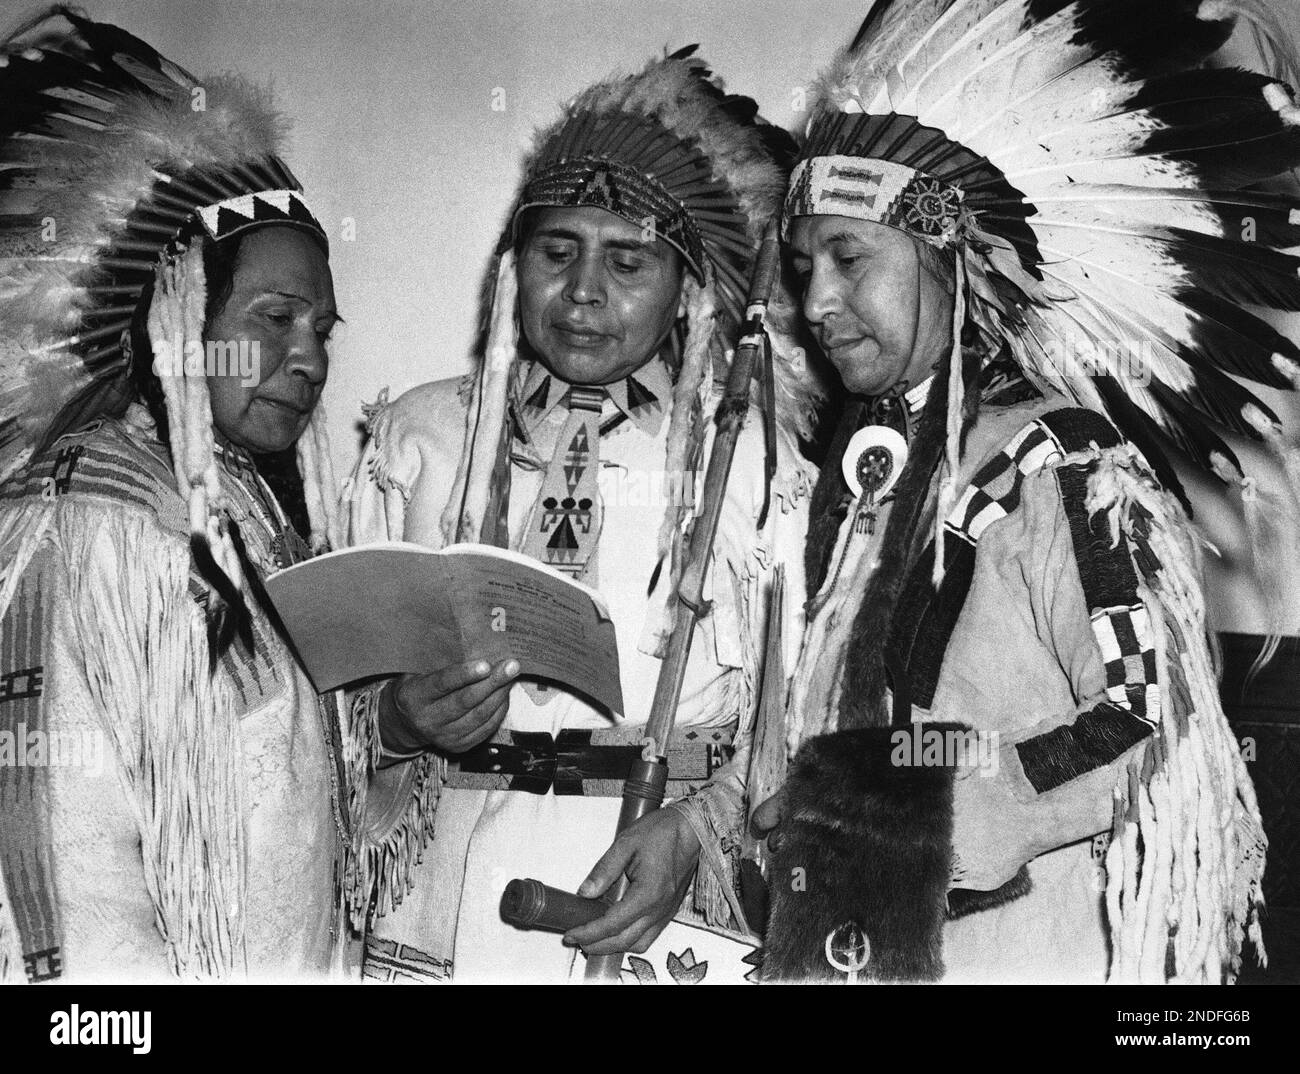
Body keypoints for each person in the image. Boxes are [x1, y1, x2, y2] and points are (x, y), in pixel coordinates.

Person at [754, 0, 1300, 983]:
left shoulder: (1060, 469)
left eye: (848, 259)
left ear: (950, 259)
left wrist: (944, 811)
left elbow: (1146, 716)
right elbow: (832, 733)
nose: (816, 302)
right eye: (801, 269)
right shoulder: (867, 476)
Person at [346, 47, 820, 982]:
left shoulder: (750, 459)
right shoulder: (421, 439)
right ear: (512, 268)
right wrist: (397, 724)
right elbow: (334, 693)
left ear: (686, 288)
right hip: (441, 893)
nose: (585, 292)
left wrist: (698, 828)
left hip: (644, 880)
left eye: (629, 261)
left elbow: (796, 719)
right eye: (556, 253)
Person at [0, 8, 422, 982]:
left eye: (323, 323)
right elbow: (69, 883)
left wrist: (398, 726)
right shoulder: (84, 521)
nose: (311, 356)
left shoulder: (244, 509)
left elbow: (284, 804)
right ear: (177, 317)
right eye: (273, 318)